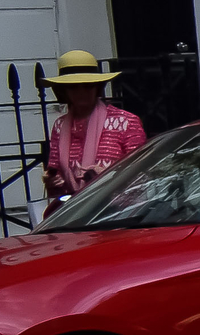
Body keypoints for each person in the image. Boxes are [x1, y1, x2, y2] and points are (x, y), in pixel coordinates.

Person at [41, 51, 147, 220]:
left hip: (121, 212)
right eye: (74, 87)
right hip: (78, 213)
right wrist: (53, 181)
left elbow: (142, 170)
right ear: (63, 91)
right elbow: (56, 174)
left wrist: (108, 174)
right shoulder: (60, 126)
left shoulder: (126, 121)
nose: (81, 92)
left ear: (98, 87)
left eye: (88, 85)